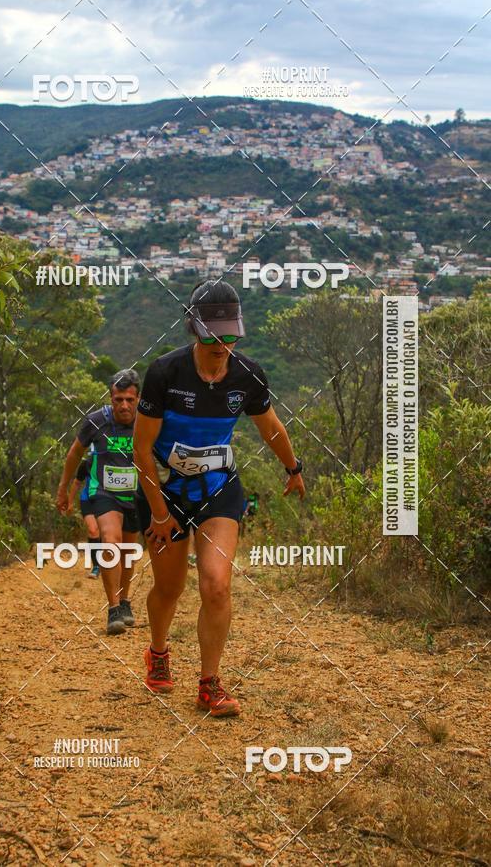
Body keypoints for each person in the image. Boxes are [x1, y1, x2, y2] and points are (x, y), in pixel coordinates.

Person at [133, 281, 305, 717]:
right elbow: (140, 449)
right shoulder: (165, 374)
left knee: (216, 584)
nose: (221, 344)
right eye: (212, 335)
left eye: (229, 335)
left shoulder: (246, 375)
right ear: (194, 329)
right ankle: (157, 652)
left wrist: (293, 468)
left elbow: (270, 427)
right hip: (165, 491)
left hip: (219, 490)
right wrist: (157, 513)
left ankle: (209, 684)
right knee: (169, 588)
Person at [56, 369, 141, 634]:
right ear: (110, 398)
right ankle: (113, 608)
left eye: (129, 399)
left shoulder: (149, 420)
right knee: (110, 541)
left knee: (128, 551)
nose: (123, 405)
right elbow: (74, 454)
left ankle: (125, 600)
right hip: (104, 492)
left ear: (138, 398)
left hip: (136, 495)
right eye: (118, 400)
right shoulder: (96, 421)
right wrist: (63, 489)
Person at [67, 458, 101, 578]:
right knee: (93, 530)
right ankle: (96, 566)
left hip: (108, 500)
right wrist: (70, 503)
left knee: (104, 533)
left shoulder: (114, 459)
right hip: (88, 499)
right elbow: (77, 482)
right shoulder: (87, 463)